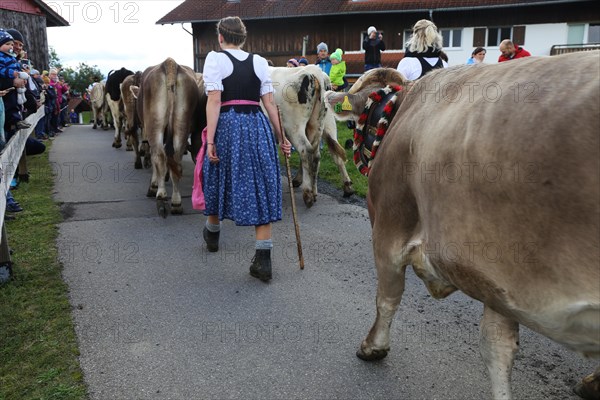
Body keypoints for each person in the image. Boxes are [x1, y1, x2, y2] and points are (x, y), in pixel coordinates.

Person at [196, 16, 291, 282]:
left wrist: (211, 140)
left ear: (220, 38)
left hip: (228, 125)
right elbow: (270, 104)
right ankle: (263, 260)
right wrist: (282, 137)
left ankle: (212, 233)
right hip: (257, 125)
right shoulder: (260, 62)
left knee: (217, 175)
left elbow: (214, 101)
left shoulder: (215, 60)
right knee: (260, 183)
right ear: (244, 38)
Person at [0, 29, 30, 131]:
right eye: (13, 44)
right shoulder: (2, 58)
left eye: (19, 45)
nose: (14, 47)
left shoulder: (15, 60)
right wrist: (13, 81)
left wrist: (22, 80)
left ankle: (16, 120)